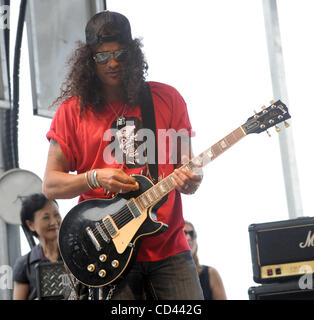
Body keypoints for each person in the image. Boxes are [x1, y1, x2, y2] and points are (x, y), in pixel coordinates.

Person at [43, 10, 203, 300]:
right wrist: (95, 177)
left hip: (169, 248)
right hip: (106, 249)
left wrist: (192, 179)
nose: (112, 63)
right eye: (102, 57)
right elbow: (51, 184)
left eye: (120, 54)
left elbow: (189, 171)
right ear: (88, 61)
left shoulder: (167, 99)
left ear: (133, 54)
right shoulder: (72, 112)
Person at [13, 193, 62, 300]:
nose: (54, 222)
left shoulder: (76, 255)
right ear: (31, 225)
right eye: (46, 217)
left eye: (56, 215)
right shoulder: (24, 265)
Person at [184, 220, 227, 300]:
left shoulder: (210, 273)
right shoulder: (164, 274)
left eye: (192, 234)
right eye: (184, 233)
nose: (188, 238)